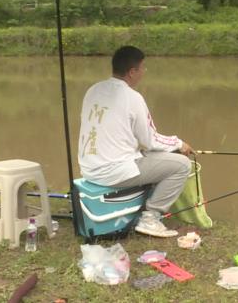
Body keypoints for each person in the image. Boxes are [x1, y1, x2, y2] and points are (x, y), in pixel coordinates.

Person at [78, 45, 194, 238]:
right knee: (182, 164)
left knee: (158, 155)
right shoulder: (132, 97)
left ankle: (145, 207)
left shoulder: (94, 90)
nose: (143, 73)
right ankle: (151, 218)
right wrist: (179, 143)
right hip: (113, 171)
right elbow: (150, 139)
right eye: (142, 68)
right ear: (132, 72)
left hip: (89, 168)